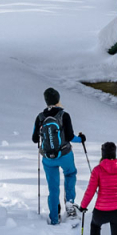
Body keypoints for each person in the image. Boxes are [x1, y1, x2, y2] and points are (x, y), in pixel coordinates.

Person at [32, 88, 84, 225]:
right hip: (65, 154)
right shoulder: (63, 115)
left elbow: (34, 139)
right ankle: (70, 205)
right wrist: (81, 139)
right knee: (70, 174)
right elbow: (71, 137)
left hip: (48, 158)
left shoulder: (40, 117)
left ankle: (54, 217)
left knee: (53, 187)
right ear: (57, 99)